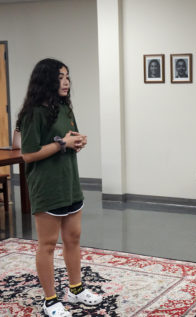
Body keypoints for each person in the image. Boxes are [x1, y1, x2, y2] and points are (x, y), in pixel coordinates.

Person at [16, 58, 102, 316]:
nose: (66, 82)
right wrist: (62, 145)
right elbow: (28, 154)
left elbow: (67, 136)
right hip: (47, 186)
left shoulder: (64, 107)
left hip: (69, 183)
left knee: (73, 238)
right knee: (48, 244)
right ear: (46, 81)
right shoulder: (32, 114)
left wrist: (77, 140)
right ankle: (51, 300)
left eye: (67, 77)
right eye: (60, 77)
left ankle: (75, 290)